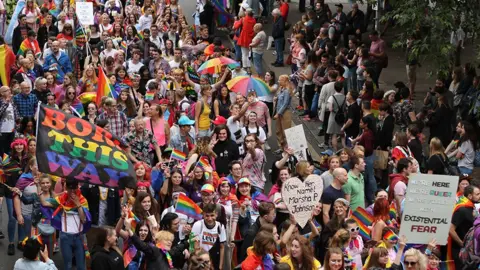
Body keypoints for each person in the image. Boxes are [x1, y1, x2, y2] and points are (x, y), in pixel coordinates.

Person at [40, 177, 90, 270]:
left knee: (81, 266)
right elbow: (45, 203)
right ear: (66, 188)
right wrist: (39, 188)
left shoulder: (83, 200)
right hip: (65, 237)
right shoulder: (61, 199)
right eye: (69, 188)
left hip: (79, 237)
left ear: (78, 187)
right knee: (68, 265)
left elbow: (84, 219)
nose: (72, 191)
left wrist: (78, 204)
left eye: (74, 188)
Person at [449, 185, 480, 270]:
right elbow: (451, 230)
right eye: (477, 194)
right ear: (470, 196)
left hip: (471, 251)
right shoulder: (462, 209)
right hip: (461, 252)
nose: (479, 196)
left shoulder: (473, 208)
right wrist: (462, 244)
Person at [191, 203, 226, 270]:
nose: (210, 219)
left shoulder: (220, 226)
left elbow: (222, 247)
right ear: (203, 215)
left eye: (212, 215)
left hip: (214, 260)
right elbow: (192, 245)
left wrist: (220, 266)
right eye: (207, 216)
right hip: (200, 260)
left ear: (216, 214)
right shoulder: (197, 225)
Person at [274, 75, 293, 149]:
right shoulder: (281, 88)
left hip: (285, 113)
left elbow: (285, 104)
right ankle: (281, 147)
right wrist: (276, 99)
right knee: (278, 130)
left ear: (285, 81)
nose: (278, 81)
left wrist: (278, 114)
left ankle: (287, 148)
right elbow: (279, 98)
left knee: (286, 131)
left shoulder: (287, 91)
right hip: (279, 111)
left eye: (280, 80)